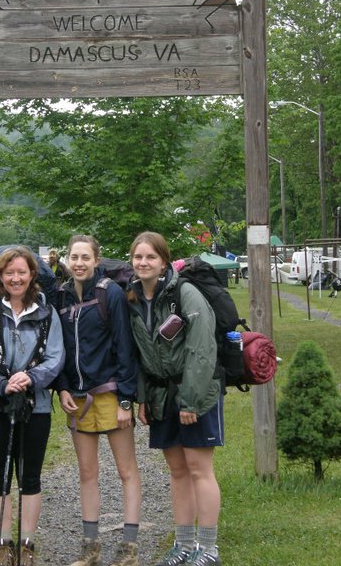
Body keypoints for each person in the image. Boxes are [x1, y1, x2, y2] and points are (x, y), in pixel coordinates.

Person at [127, 232, 223, 566]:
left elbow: (202, 348)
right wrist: (143, 398)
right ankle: (184, 544)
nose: (143, 263)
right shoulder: (134, 299)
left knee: (199, 469)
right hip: (161, 397)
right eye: (138, 257)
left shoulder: (185, 294)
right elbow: (139, 355)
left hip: (195, 393)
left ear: (164, 261)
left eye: (150, 257)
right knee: (177, 471)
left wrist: (191, 401)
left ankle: (208, 549)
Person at [0, 246, 64, 566]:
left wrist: (30, 379)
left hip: (34, 405)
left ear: (32, 275)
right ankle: (4, 543)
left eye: (21, 272)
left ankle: (27, 542)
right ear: (0, 276)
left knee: (30, 477)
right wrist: (2, 384)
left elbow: (55, 357)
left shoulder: (46, 313)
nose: (15, 278)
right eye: (9, 273)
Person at [56, 235, 141, 566]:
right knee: (87, 473)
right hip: (77, 399)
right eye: (73, 256)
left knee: (126, 470)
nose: (78, 263)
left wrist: (125, 399)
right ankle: (90, 549)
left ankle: (129, 548)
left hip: (109, 393)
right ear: (66, 259)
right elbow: (59, 349)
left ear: (96, 259)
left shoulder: (110, 293)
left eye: (85, 257)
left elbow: (124, 346)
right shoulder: (61, 296)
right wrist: (62, 387)